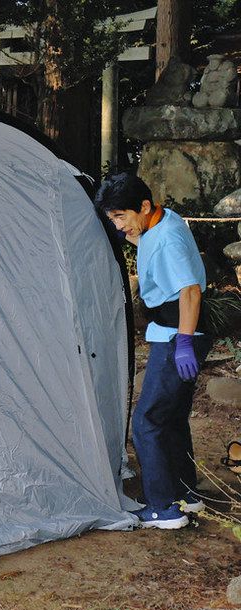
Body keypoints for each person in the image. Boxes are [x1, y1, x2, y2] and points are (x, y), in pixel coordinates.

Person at [95, 173, 210, 530]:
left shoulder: (168, 238)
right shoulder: (160, 219)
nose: (117, 225)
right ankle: (186, 495)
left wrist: (185, 343)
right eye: (113, 218)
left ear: (144, 207)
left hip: (178, 333)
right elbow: (150, 243)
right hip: (174, 329)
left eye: (120, 217)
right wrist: (131, 233)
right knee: (171, 417)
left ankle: (163, 508)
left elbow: (190, 291)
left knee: (147, 421)